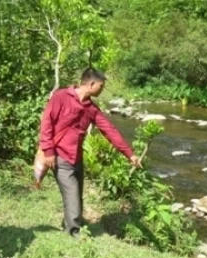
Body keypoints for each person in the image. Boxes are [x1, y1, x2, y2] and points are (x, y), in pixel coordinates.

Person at [39, 68, 142, 237]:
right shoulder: (61, 97)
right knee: (71, 196)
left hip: (77, 158)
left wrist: (129, 154)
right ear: (92, 83)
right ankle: (74, 233)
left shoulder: (91, 108)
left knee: (77, 195)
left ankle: (74, 222)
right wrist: (49, 151)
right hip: (60, 157)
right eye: (101, 86)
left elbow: (109, 130)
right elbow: (47, 123)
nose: (102, 90)